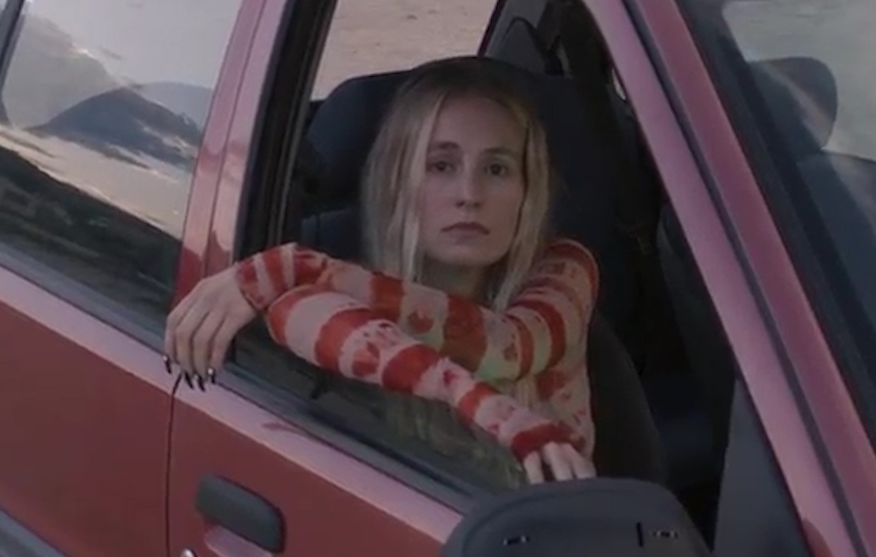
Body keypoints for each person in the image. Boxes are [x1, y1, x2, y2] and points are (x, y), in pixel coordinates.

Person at [164, 57, 600, 487]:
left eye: (497, 169)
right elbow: (292, 312)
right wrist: (475, 400)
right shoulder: (351, 294)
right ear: (395, 183)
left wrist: (289, 267)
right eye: (441, 165)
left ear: (528, 189)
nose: (469, 194)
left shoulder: (566, 268)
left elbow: (508, 346)